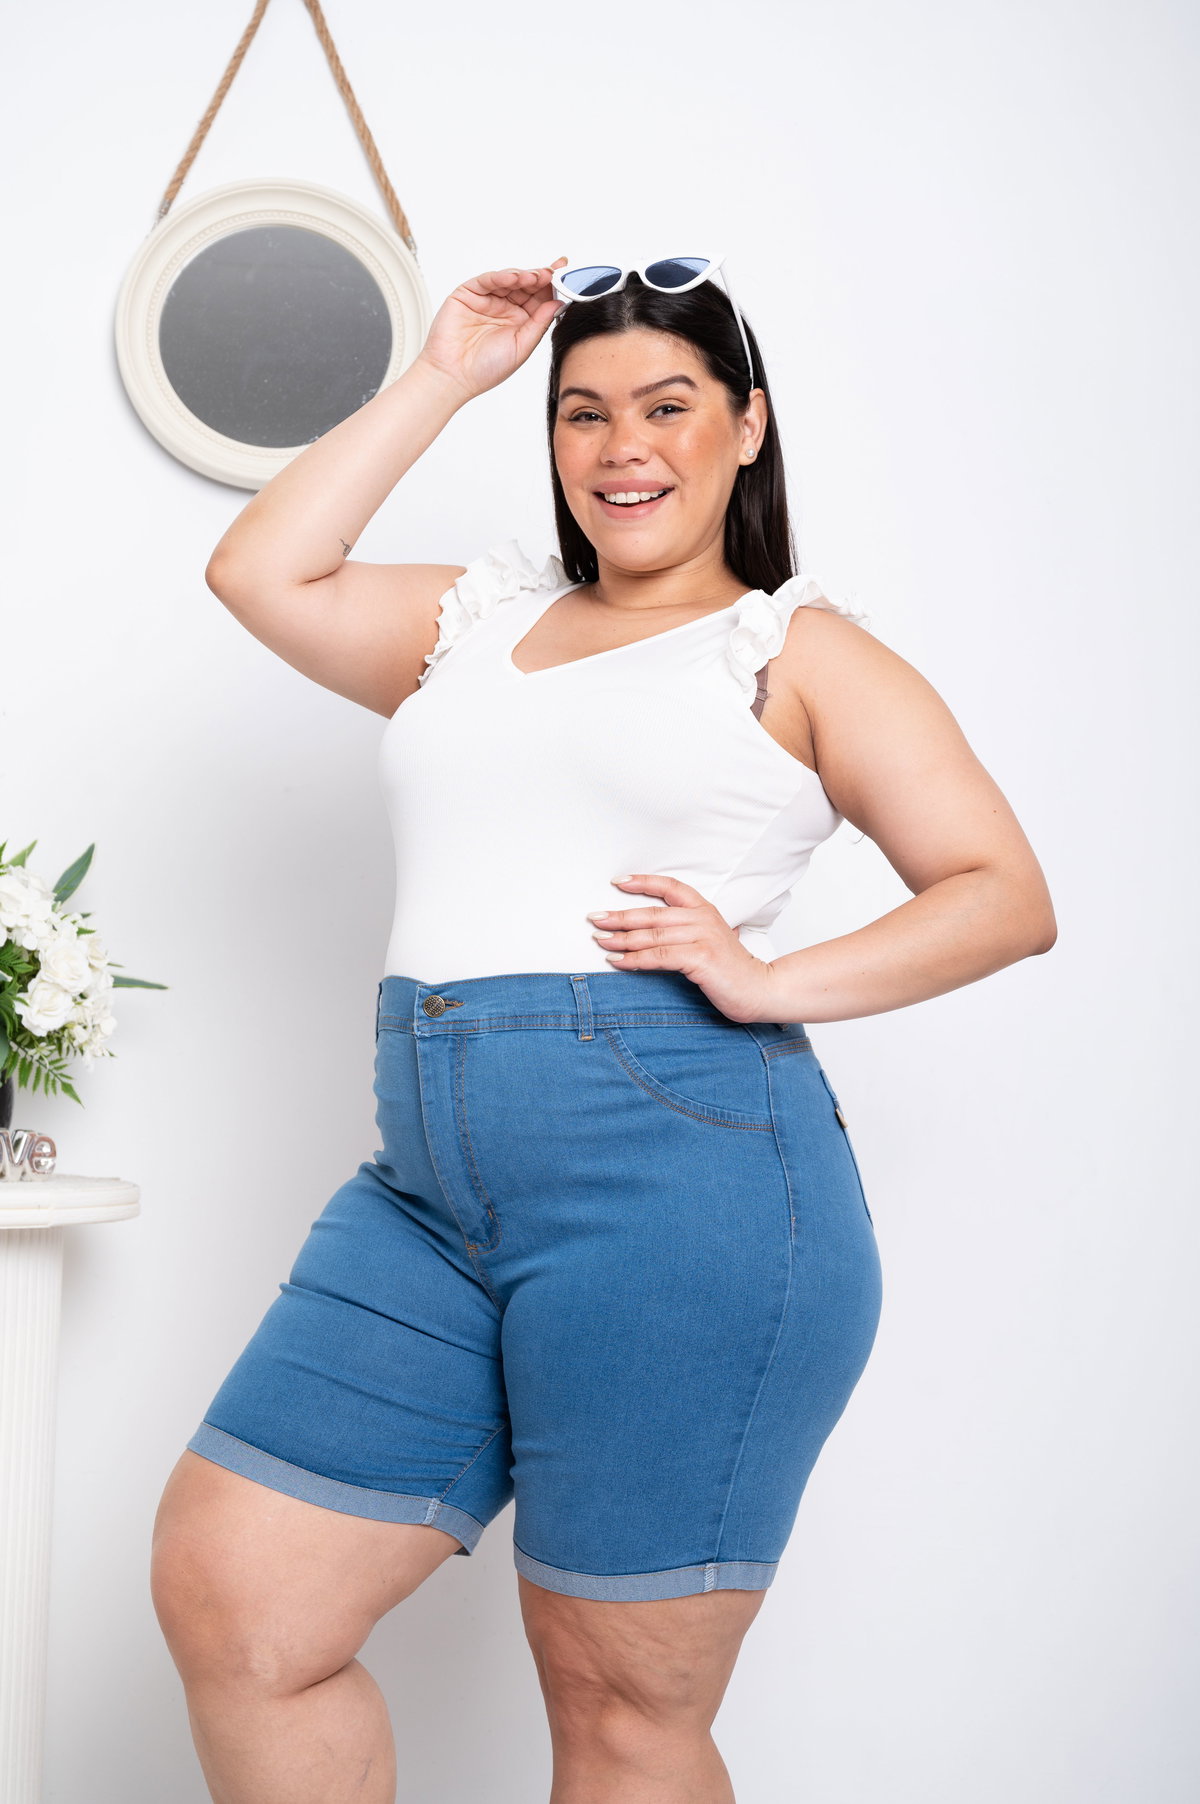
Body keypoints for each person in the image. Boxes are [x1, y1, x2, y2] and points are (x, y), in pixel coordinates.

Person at [149, 255, 1057, 1803]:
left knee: (622, 1709)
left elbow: (1001, 893)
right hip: (428, 1193)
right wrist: (447, 374)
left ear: (747, 426)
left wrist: (768, 980)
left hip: (684, 1192)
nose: (622, 445)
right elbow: (262, 572)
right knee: (242, 1607)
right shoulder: (476, 621)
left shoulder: (794, 652)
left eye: (667, 406)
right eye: (584, 413)